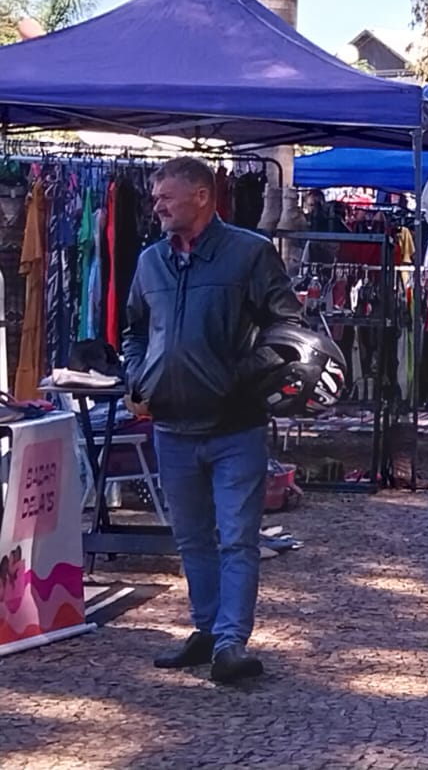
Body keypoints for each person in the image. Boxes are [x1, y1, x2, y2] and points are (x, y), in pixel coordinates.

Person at [123, 156, 304, 684]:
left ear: (203, 196)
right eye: (155, 197)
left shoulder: (249, 253)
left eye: (166, 197)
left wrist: (239, 376)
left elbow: (286, 326)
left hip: (234, 426)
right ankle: (205, 631)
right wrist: (140, 378)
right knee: (192, 538)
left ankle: (230, 644)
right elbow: (134, 329)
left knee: (236, 538)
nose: (156, 205)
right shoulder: (150, 262)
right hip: (172, 425)